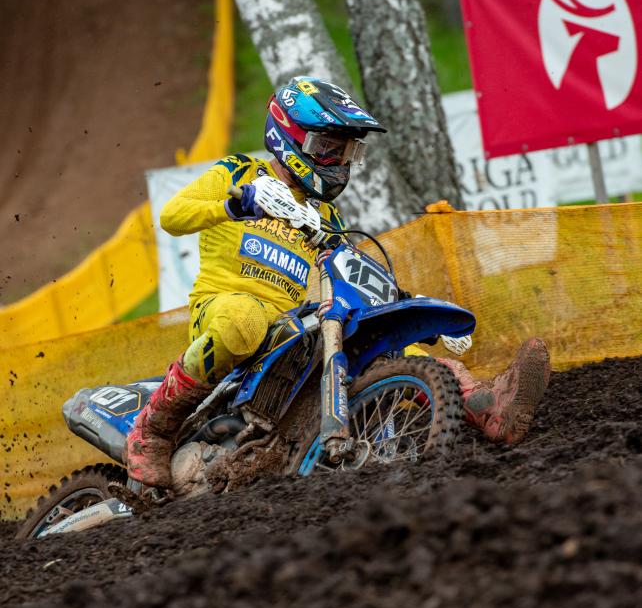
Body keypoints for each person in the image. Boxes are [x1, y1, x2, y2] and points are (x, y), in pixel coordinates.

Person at [126, 76, 550, 488]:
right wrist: (239, 204)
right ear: (290, 136)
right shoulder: (239, 172)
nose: (337, 161)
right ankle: (153, 429)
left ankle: (486, 406)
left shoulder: (326, 216)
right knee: (243, 319)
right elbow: (172, 216)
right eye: (327, 148)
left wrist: (405, 307)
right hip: (222, 310)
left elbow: (348, 272)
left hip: (287, 328)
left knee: (381, 342)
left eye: (346, 151)